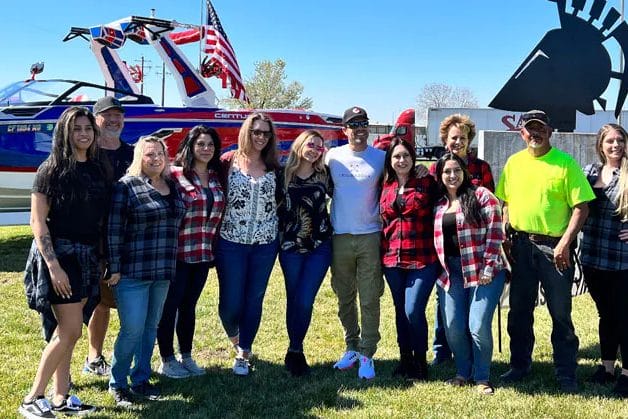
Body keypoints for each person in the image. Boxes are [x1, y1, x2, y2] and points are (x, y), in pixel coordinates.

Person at [496, 110, 595, 393]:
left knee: (560, 313)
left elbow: (582, 207)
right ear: (522, 133)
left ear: (550, 131)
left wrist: (564, 243)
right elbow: (506, 201)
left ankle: (566, 372)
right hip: (521, 246)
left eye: (540, 128)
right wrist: (506, 228)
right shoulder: (514, 163)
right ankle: (519, 365)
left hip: (555, 248)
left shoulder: (565, 164)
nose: (535, 133)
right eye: (530, 129)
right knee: (519, 311)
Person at [21, 106, 109, 417]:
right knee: (69, 330)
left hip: (87, 257)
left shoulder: (98, 168)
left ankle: (61, 396)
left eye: (88, 128)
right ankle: (33, 397)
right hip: (59, 256)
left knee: (68, 330)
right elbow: (37, 220)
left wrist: (103, 258)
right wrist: (54, 265)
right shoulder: (51, 169)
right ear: (65, 133)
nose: (83, 133)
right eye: (76, 129)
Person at [107, 136, 186, 407]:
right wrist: (114, 267)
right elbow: (114, 230)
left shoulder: (172, 186)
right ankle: (117, 383)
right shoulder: (126, 187)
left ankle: (140, 378)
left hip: (162, 271)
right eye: (149, 154)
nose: (155, 159)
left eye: (160, 154)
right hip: (132, 272)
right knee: (132, 328)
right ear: (139, 157)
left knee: (150, 327)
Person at [433, 153, 506, 395]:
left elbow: (496, 232)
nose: (452, 176)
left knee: (477, 325)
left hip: (485, 269)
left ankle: (482, 377)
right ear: (440, 175)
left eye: (456, 170)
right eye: (446, 172)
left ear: (464, 172)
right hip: (451, 273)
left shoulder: (482, 195)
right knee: (453, 326)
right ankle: (463, 372)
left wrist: (487, 268)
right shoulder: (439, 203)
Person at [216, 112, 282, 376]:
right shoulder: (227, 162)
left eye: (265, 133)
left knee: (254, 298)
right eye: (256, 131)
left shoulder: (275, 167)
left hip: (265, 243)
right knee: (230, 303)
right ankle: (234, 336)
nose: (260, 137)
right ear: (246, 132)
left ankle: (244, 351)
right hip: (231, 241)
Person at [156, 126, 225, 378]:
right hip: (177, 253)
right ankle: (166, 358)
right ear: (190, 146)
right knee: (169, 306)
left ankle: (186, 355)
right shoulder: (175, 175)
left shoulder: (216, 177)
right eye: (200, 144)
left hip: (203, 253)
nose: (205, 149)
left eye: (210, 144)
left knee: (189, 306)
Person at [429, 113, 495, 365]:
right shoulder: (437, 168)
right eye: (453, 138)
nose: (458, 142)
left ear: (470, 140)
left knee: (470, 308)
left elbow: (492, 208)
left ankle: (470, 354)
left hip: (475, 249)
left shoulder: (481, 168)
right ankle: (441, 351)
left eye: (463, 138)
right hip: (446, 248)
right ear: (445, 140)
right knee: (444, 304)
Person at [325, 106, 385, 379]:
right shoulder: (332, 157)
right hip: (340, 235)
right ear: (344, 129)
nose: (359, 129)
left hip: (370, 235)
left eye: (364, 123)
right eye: (354, 124)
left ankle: (367, 353)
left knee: (370, 296)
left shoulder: (381, 158)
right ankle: (351, 345)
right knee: (344, 295)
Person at [82, 96, 134, 377]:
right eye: (107, 116)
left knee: (132, 302)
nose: (114, 120)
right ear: (96, 118)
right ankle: (94, 356)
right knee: (101, 302)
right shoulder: (88, 153)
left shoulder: (132, 153)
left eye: (118, 116)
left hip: (130, 238)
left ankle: (129, 357)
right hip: (97, 239)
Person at [379, 138, 439, 380]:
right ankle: (405, 360)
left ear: (413, 158)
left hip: (423, 258)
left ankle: (420, 361)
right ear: (390, 161)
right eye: (396, 157)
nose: (401, 160)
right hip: (392, 258)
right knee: (400, 311)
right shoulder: (385, 185)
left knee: (413, 309)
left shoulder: (427, 182)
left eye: (405, 156)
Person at [278, 130, 333, 376]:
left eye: (319, 147)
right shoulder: (283, 174)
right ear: (300, 145)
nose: (314, 150)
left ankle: (296, 350)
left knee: (305, 299)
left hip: (320, 245)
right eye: (311, 144)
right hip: (290, 246)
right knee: (294, 298)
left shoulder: (324, 175)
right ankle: (294, 349)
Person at [580, 123, 628, 397]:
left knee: (624, 315)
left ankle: (626, 373)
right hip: (593, 256)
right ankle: (607, 367)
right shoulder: (589, 172)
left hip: (622, 258)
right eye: (609, 141)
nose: (615, 145)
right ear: (601, 145)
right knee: (605, 313)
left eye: (620, 140)